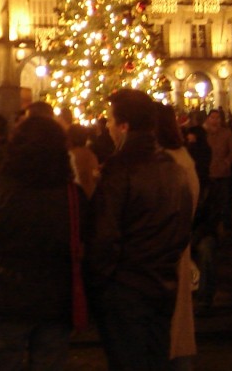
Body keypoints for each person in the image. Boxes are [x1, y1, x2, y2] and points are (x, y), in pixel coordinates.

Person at [85, 89, 193, 370]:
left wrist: (101, 283)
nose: (106, 126)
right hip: (162, 284)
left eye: (109, 120)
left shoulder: (119, 170)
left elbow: (103, 237)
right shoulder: (173, 168)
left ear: (124, 126)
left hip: (125, 290)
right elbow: (183, 229)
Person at [0, 115, 86, 371]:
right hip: (56, 294)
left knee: (2, 362)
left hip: (5, 292)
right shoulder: (72, 195)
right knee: (49, 362)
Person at [155, 104, 201, 370]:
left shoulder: (171, 162)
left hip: (167, 251)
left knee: (172, 327)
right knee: (178, 325)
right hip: (175, 249)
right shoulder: (181, 157)